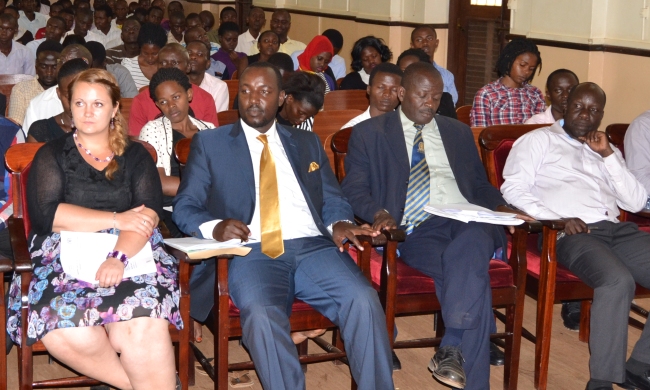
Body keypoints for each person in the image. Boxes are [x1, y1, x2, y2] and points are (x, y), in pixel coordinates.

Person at [172, 61, 394, 390]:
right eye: (245, 91)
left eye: (264, 91)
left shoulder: (306, 143)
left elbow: (332, 197)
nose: (253, 99)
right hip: (253, 252)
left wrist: (341, 222)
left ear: (281, 99)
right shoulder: (212, 143)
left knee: (363, 299)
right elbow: (185, 206)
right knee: (262, 315)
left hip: (312, 248)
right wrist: (216, 226)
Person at [341, 62, 528, 389]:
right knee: (474, 279)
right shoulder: (370, 133)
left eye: (437, 97)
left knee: (472, 240)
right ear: (402, 94)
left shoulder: (455, 132)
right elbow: (354, 189)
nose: (430, 103)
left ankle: (451, 344)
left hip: (469, 219)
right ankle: (457, 353)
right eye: (422, 95)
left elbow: (480, 187)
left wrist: (503, 208)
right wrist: (380, 212)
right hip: (416, 228)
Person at [6, 67, 182, 389]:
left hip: (131, 249)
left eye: (98, 104)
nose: (88, 112)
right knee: (61, 327)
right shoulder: (52, 154)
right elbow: (49, 216)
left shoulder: (135, 156)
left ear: (115, 108)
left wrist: (118, 257)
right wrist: (116, 219)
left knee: (141, 320)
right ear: (69, 107)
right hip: (61, 256)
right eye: (80, 104)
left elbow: (148, 216)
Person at [501, 82, 650, 390]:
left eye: (594, 109)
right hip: (570, 233)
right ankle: (602, 381)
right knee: (616, 281)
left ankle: (640, 366)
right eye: (579, 106)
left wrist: (608, 154)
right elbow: (513, 189)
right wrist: (554, 217)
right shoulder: (537, 141)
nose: (585, 114)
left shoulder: (606, 149)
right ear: (566, 104)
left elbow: (635, 202)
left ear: (601, 114)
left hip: (615, 229)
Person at [138, 67, 214, 238]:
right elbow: (161, 183)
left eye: (176, 97)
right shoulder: (152, 130)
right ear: (157, 105)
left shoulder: (209, 129)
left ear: (189, 95)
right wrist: (208, 189)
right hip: (172, 210)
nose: (171, 106)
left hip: (209, 204)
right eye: (163, 102)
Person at [128, 43, 218, 136]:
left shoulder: (205, 98)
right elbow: (137, 142)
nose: (168, 67)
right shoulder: (140, 100)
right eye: (162, 63)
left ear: (188, 67)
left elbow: (211, 139)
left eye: (174, 63)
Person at [470, 38, 545, 127]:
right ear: (509, 61)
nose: (526, 72)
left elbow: (541, 131)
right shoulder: (487, 94)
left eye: (531, 69)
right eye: (522, 65)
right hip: (497, 140)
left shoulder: (535, 94)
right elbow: (480, 132)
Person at [23, 43, 92, 133]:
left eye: (72, 63)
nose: (64, 66)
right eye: (61, 61)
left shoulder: (103, 100)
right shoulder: (37, 104)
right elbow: (28, 146)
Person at [26, 57, 87, 142]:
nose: (75, 102)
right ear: (59, 93)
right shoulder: (41, 131)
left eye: (82, 95)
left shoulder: (104, 127)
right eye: (68, 96)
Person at [8, 40, 60, 126]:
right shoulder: (21, 89)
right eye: (44, 66)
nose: (49, 72)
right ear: (36, 65)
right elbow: (16, 127)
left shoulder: (67, 91)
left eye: (54, 67)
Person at [396, 48, 456, 119]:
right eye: (403, 71)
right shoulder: (393, 100)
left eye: (414, 72)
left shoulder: (444, 101)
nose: (408, 76)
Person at [340, 62, 402, 129]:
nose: (387, 94)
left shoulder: (408, 128)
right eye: (381, 87)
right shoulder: (351, 129)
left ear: (401, 93)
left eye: (394, 90)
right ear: (369, 89)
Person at [410, 25, 458, 105]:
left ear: (436, 43)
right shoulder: (407, 72)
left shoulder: (447, 76)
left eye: (429, 38)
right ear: (412, 45)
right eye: (419, 40)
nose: (425, 43)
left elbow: (451, 104)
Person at [121, 21, 166, 90]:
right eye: (145, 53)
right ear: (140, 49)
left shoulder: (168, 66)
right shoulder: (128, 66)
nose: (150, 58)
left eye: (154, 54)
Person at [186, 40, 228, 112]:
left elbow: (216, 118)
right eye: (189, 53)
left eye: (199, 54)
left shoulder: (219, 87)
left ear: (208, 64)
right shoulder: (173, 84)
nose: (193, 57)